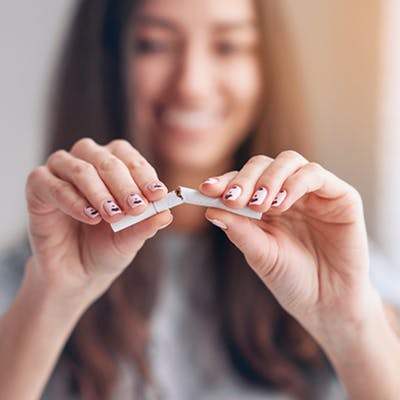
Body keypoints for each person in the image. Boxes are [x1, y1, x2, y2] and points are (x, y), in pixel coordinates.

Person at [0, 0, 399, 399]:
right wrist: (51, 302)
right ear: (105, 62)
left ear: (264, 66)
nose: (191, 83)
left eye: (228, 46)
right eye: (154, 44)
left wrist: (349, 325)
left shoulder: (338, 265)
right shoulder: (36, 275)